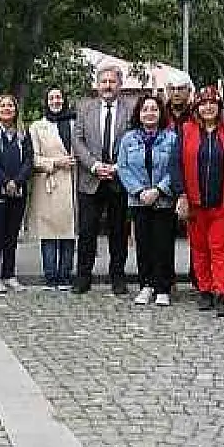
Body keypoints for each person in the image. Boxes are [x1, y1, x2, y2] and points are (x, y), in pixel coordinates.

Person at [176, 86, 224, 317]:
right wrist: (181, 194)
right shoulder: (186, 130)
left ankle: (221, 293)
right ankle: (205, 290)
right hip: (195, 202)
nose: (208, 107)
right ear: (197, 107)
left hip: (223, 202)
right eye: (203, 103)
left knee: (221, 250)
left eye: (212, 103)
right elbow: (175, 164)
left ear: (219, 107)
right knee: (199, 249)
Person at [72, 62, 134, 295]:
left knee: (119, 232)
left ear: (120, 84)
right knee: (87, 231)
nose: (108, 86)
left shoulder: (131, 109)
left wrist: (118, 167)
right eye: (104, 82)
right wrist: (95, 166)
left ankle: (117, 277)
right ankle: (83, 277)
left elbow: (135, 140)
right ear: (97, 85)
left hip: (120, 179)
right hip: (91, 179)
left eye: (112, 82)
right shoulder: (85, 108)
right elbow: (77, 141)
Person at [116, 95, 183, 307]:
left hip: (163, 200)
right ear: (139, 113)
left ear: (161, 113)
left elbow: (175, 168)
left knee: (163, 244)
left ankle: (163, 287)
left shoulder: (171, 138)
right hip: (139, 201)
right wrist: (139, 191)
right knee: (143, 244)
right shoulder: (128, 139)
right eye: (145, 109)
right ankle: (146, 285)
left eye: (154, 109)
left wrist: (159, 189)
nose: (149, 113)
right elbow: (123, 167)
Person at [0, 93, 33, 294]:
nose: (6, 109)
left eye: (10, 105)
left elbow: (29, 160)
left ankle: (9, 274)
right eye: (2, 106)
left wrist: (17, 181)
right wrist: (4, 181)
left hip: (17, 192)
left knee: (11, 236)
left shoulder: (23, 134)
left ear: (16, 109)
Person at [25, 88, 77, 291]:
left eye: (59, 97)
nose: (56, 101)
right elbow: (33, 157)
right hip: (49, 182)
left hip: (72, 182)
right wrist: (56, 162)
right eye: (52, 98)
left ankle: (65, 274)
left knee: (68, 231)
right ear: (46, 101)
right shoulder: (38, 126)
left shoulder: (74, 123)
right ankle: (50, 274)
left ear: (65, 100)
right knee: (49, 231)